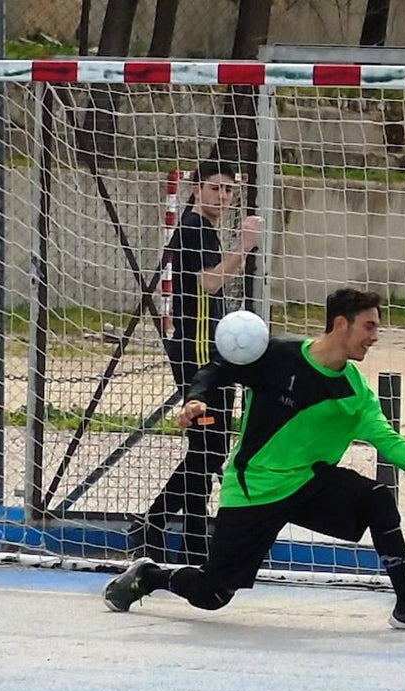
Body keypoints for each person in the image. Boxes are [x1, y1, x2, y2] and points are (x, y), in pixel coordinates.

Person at [105, 288, 405, 632]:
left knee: (377, 498)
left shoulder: (355, 392)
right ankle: (148, 576)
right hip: (255, 487)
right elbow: (217, 369)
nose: (375, 337)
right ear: (340, 324)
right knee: (213, 594)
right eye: (369, 326)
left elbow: (384, 435)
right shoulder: (278, 355)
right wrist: (196, 399)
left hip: (308, 483)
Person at [133, 160, 263, 565]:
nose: (222, 197)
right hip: (199, 354)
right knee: (209, 448)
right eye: (214, 188)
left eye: (228, 190)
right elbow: (209, 281)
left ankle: (188, 538)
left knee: (206, 449)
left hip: (205, 349)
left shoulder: (201, 229)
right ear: (196, 190)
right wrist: (246, 246)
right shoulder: (195, 228)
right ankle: (155, 523)